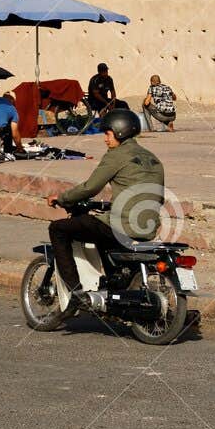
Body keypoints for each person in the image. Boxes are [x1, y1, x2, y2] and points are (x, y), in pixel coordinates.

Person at [43, 109, 164, 292]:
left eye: (107, 134)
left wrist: (62, 198)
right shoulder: (153, 158)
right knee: (99, 231)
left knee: (58, 229)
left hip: (121, 225)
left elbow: (90, 187)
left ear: (119, 132)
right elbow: (157, 197)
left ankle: (75, 292)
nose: (105, 139)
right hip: (148, 228)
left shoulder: (116, 155)